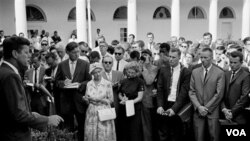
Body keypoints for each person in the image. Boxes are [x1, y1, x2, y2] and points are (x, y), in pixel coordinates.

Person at [0, 36, 63, 141]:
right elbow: (19, 115)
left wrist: (32, 114)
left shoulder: (5, 71)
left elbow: (11, 109)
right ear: (15, 54)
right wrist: (47, 120)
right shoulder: (10, 76)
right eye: (26, 52)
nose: (29, 56)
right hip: (14, 136)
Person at [55, 42, 91, 141]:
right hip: (66, 100)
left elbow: (89, 80)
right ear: (67, 52)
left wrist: (80, 85)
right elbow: (56, 82)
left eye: (78, 52)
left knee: (82, 125)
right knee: (68, 127)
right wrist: (63, 83)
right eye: (74, 52)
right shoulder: (62, 65)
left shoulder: (85, 64)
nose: (77, 54)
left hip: (79, 99)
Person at [189, 47, 225, 141]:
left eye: (206, 58)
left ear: (212, 57)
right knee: (198, 138)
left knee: (214, 137)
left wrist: (207, 108)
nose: (203, 60)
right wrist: (199, 107)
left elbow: (219, 93)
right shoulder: (195, 72)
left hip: (213, 112)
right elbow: (191, 91)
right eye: (201, 58)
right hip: (198, 111)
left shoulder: (220, 72)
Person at [157, 48, 191, 141]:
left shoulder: (186, 72)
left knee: (175, 134)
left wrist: (174, 109)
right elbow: (159, 89)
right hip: (164, 104)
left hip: (177, 105)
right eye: (170, 56)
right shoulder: (163, 70)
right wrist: (159, 105)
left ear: (179, 57)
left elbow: (183, 93)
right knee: (163, 132)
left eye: (173, 57)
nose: (170, 59)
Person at [83, 62, 116, 141]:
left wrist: (100, 100)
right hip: (92, 111)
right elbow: (87, 99)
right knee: (91, 133)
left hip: (104, 110)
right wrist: (85, 99)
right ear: (92, 74)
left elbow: (111, 100)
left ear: (102, 71)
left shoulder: (107, 83)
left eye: (99, 72)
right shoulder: (89, 84)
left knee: (104, 134)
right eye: (95, 73)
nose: (97, 74)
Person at [221, 51, 250, 124]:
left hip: (239, 116)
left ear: (241, 63)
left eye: (235, 63)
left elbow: (244, 97)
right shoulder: (226, 74)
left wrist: (232, 112)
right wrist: (224, 109)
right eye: (231, 62)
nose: (232, 65)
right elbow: (220, 93)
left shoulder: (246, 76)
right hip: (224, 114)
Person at [118, 61, 144, 141]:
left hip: (135, 109)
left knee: (134, 131)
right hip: (123, 108)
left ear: (137, 72)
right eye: (129, 72)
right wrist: (122, 99)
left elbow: (140, 97)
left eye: (132, 72)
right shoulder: (123, 81)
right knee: (123, 130)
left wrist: (130, 102)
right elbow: (119, 93)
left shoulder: (140, 81)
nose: (130, 74)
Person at [101, 56, 124, 140]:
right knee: (106, 123)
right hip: (105, 103)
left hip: (117, 101)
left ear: (112, 63)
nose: (107, 64)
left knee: (117, 123)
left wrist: (118, 85)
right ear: (102, 63)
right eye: (105, 62)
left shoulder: (119, 74)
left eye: (109, 62)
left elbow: (124, 88)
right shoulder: (99, 74)